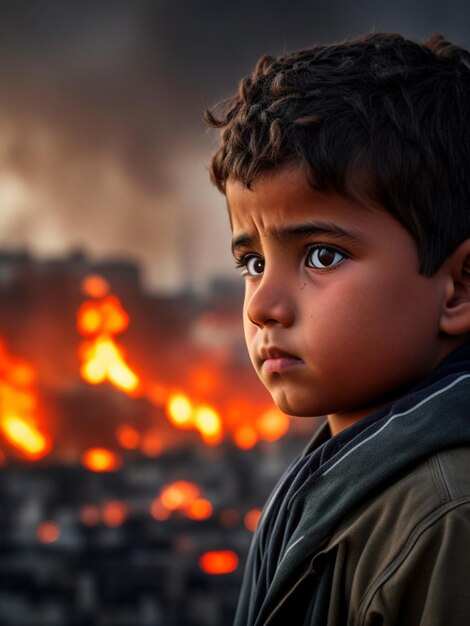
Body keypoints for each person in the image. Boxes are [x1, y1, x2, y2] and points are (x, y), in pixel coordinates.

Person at [204, 32, 470, 625]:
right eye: (252, 263)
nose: (262, 304)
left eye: (321, 256)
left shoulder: (448, 516)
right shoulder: (347, 475)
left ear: (459, 288)